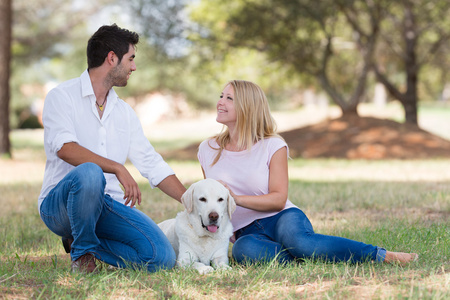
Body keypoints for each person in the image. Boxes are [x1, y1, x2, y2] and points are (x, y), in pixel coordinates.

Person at [198, 80, 418, 265]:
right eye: (221, 96)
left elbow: (278, 199)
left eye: (229, 98)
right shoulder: (207, 150)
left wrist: (235, 199)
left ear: (248, 107)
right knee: (243, 252)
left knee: (301, 242)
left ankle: (380, 255)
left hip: (281, 217)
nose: (220, 102)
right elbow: (208, 200)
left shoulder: (272, 145)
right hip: (245, 232)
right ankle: (306, 259)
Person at [38, 24, 186, 273]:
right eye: (131, 59)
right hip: (60, 206)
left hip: (107, 205)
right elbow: (65, 148)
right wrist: (116, 167)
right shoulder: (61, 96)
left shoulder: (124, 113)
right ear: (111, 58)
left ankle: (79, 239)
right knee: (90, 172)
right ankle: (83, 256)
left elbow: (151, 162)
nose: (134, 67)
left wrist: (190, 200)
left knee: (161, 258)